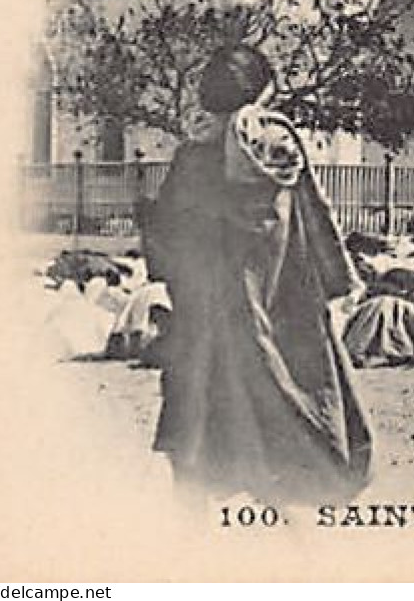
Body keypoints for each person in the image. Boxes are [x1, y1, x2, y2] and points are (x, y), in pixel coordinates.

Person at [143, 45, 372, 504]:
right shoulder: (281, 153)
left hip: (204, 322)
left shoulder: (191, 158)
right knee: (284, 437)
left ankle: (184, 561)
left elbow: (166, 238)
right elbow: (316, 227)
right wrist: (336, 286)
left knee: (195, 448)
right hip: (275, 316)